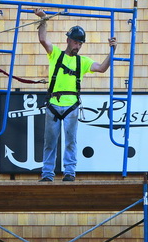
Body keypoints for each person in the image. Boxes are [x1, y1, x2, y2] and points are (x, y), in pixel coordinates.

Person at [34, 9, 117, 181]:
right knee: (50, 142)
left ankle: (69, 172)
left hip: (71, 106)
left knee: (70, 141)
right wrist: (43, 19)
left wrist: (112, 51)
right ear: (68, 41)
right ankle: (47, 173)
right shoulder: (55, 54)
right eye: (75, 43)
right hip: (54, 104)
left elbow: (101, 68)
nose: (77, 46)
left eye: (80, 44)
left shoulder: (82, 61)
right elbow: (43, 39)